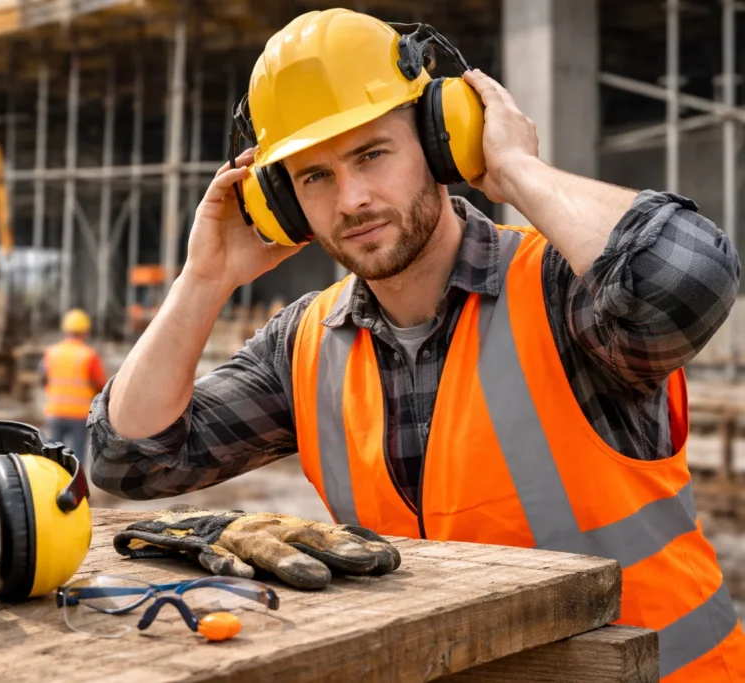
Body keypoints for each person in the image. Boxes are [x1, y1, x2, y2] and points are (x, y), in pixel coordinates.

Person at [87, 9, 745, 681]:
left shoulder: (564, 291)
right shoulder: (304, 345)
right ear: (283, 205)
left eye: (372, 154)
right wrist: (204, 279)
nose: (351, 200)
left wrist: (516, 170)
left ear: (440, 142)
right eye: (315, 177)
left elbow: (688, 279)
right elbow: (129, 458)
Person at [39, 307, 107, 464]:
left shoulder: (51, 352)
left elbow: (42, 378)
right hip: (79, 414)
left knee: (53, 458)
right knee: (76, 460)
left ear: (65, 329)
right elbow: (100, 385)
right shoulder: (89, 355)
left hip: (55, 411)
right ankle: (74, 480)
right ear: (85, 331)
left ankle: (54, 480)